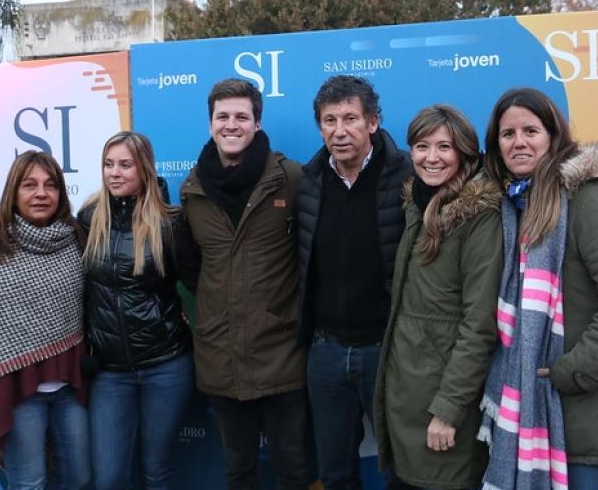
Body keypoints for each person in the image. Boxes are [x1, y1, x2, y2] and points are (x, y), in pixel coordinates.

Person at [478, 88, 598, 490]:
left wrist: (571, 372)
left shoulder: (590, 199)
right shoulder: (512, 209)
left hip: (587, 412)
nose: (519, 142)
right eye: (508, 134)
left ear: (553, 136)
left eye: (530, 130)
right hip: (532, 408)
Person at [180, 78, 313, 490]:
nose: (231, 125)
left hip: (283, 355)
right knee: (239, 472)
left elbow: (312, 257)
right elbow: (191, 269)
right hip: (222, 358)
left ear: (257, 123)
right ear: (210, 124)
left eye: (242, 116)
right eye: (223, 116)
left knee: (293, 469)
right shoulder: (193, 189)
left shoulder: (289, 179)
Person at [374, 105, 503, 489]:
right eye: (421, 146)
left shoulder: (479, 218)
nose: (431, 157)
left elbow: (479, 325)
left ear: (465, 152)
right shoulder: (418, 203)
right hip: (406, 397)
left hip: (442, 406)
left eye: (444, 146)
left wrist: (447, 410)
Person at [297, 75, 413, 489]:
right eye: (330, 120)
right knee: (334, 471)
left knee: (401, 468)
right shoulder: (308, 181)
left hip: (388, 350)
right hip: (326, 352)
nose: (340, 130)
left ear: (373, 123)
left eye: (351, 118)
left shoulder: (408, 176)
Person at [0, 151, 89, 488]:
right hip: (16, 393)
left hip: (69, 387)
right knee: (29, 482)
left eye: (50, 185)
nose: (41, 194)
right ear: (13, 191)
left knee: (78, 477)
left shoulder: (74, 238)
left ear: (61, 192)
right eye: (29, 185)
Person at [79, 131, 197, 490]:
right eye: (108, 164)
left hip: (166, 366)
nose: (114, 172)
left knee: (156, 471)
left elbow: (199, 286)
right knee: (109, 477)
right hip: (109, 373)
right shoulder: (87, 219)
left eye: (125, 165)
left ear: (144, 169)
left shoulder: (170, 223)